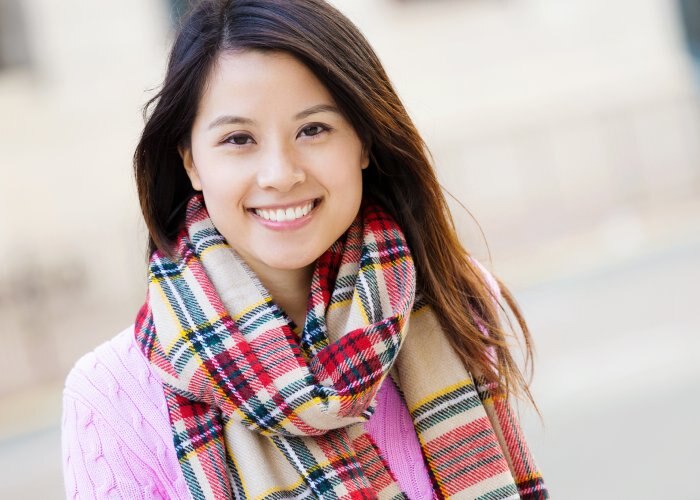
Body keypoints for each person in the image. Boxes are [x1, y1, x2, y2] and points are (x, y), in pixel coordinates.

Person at [61, 0, 548, 498]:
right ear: (191, 163)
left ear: (363, 141)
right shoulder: (110, 397)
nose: (281, 173)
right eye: (238, 138)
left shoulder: (454, 298)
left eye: (313, 129)